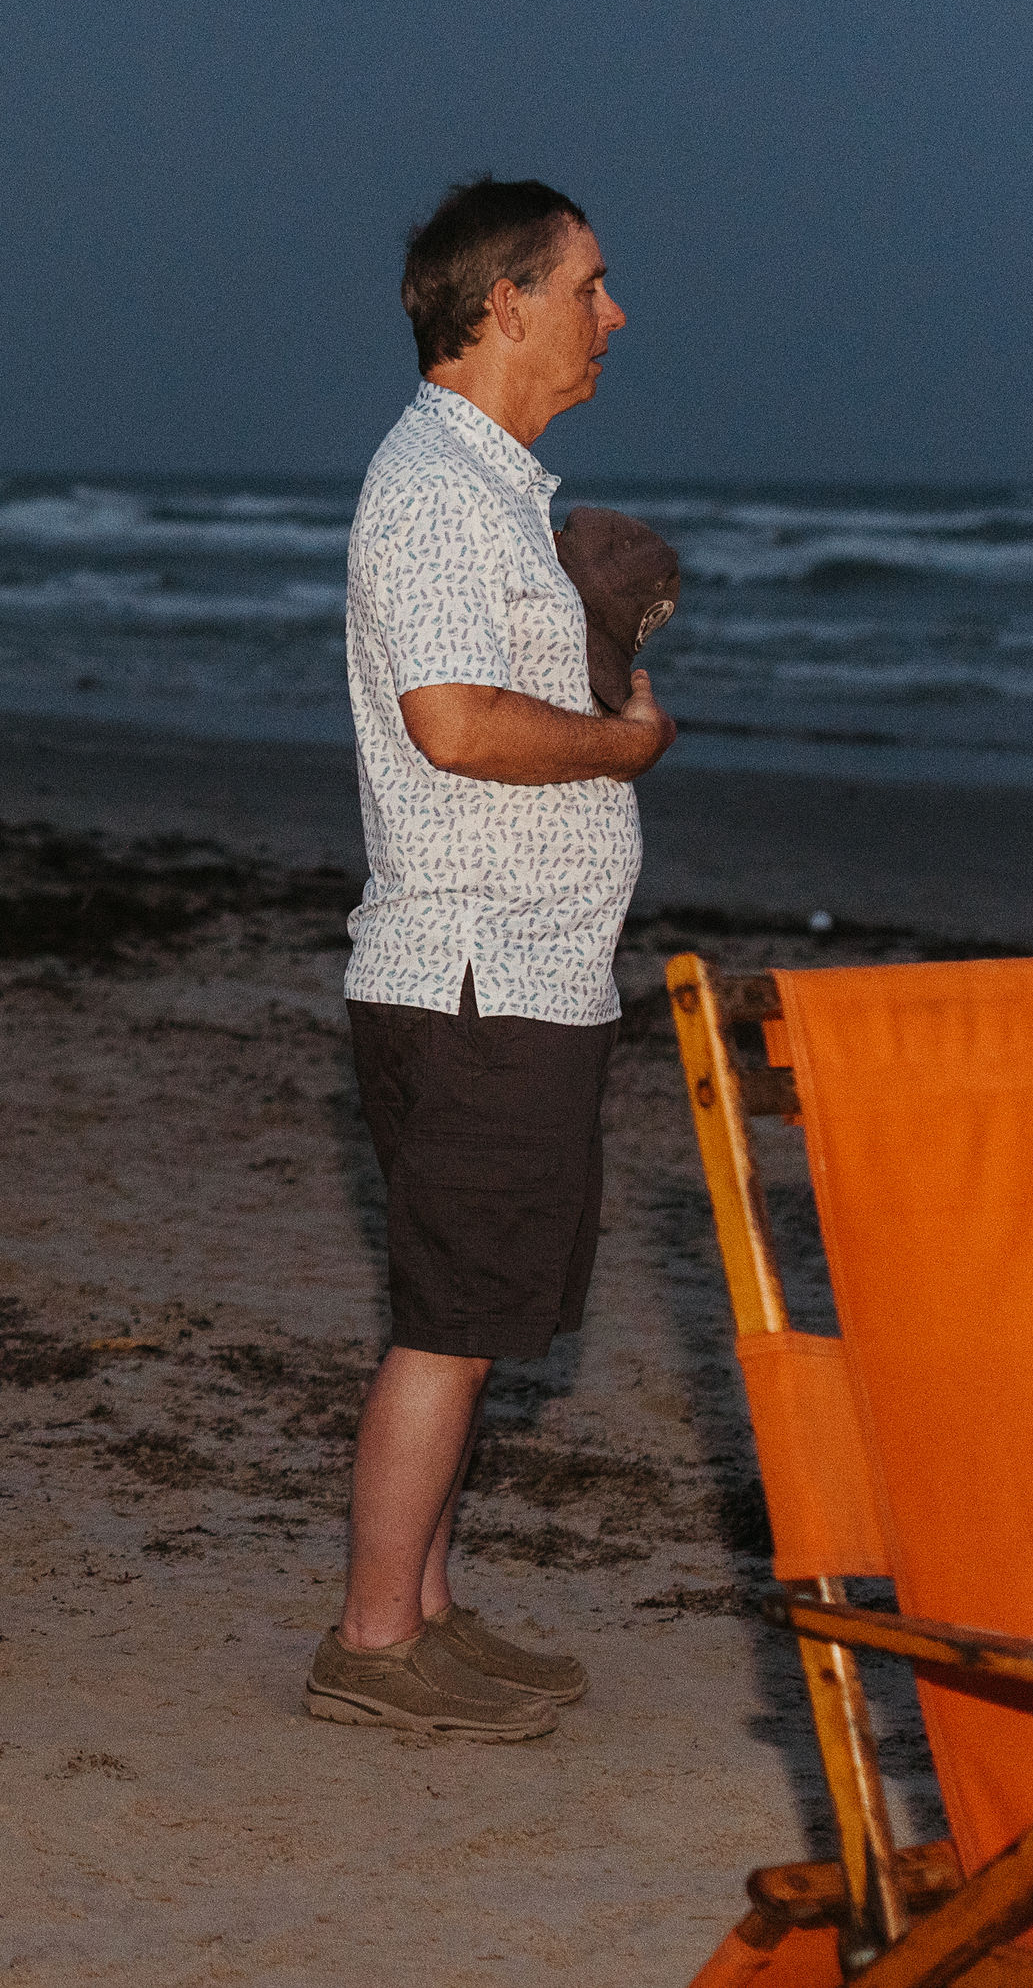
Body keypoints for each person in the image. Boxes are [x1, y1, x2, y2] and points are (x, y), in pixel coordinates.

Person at [310, 176, 676, 1740]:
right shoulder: (435, 492)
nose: (616, 313)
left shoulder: (497, 489)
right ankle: (373, 1643)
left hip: (519, 972)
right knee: (449, 1325)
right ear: (504, 304)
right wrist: (623, 744)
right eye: (589, 285)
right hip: (473, 973)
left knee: (470, 1310)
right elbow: (450, 724)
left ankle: (432, 1614)